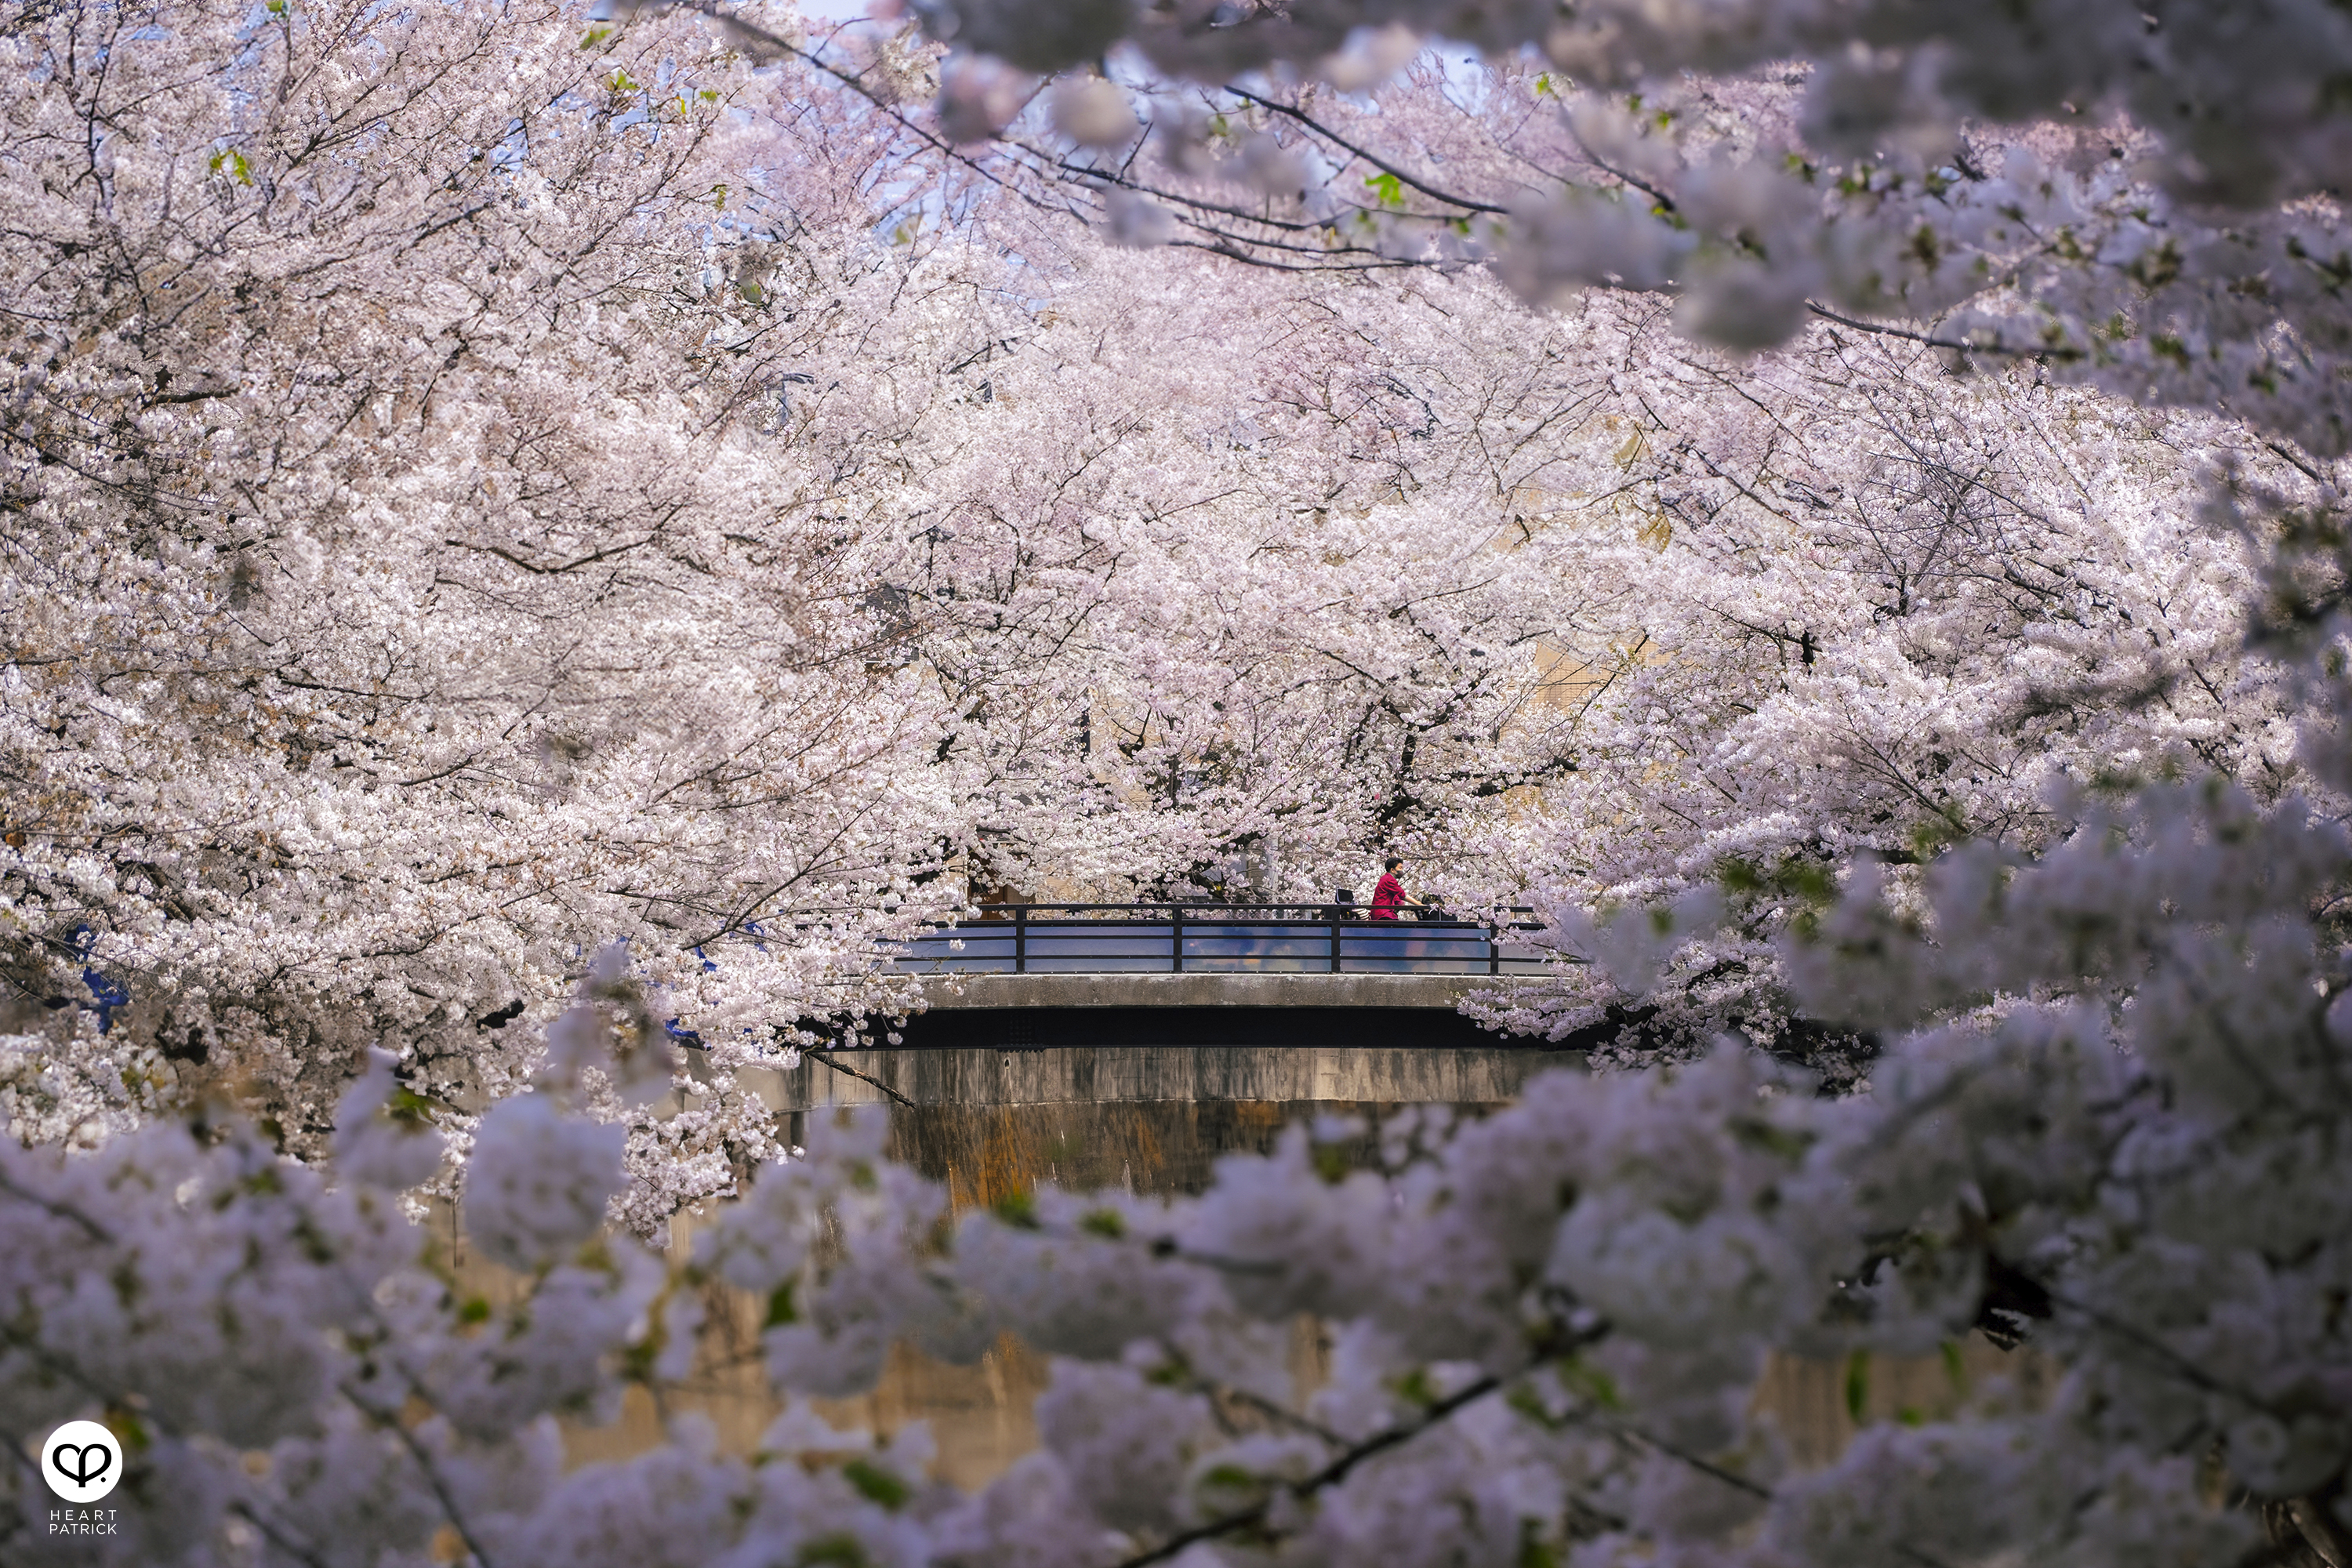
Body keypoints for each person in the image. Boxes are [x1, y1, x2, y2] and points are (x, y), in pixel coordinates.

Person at [1369, 855, 1425, 920]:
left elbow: (1396, 898)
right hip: (1383, 914)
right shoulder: (1388, 879)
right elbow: (1402, 894)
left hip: (1382, 913)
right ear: (1392, 870)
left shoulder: (1386, 878)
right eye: (1400, 868)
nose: (1402, 871)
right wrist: (1418, 904)